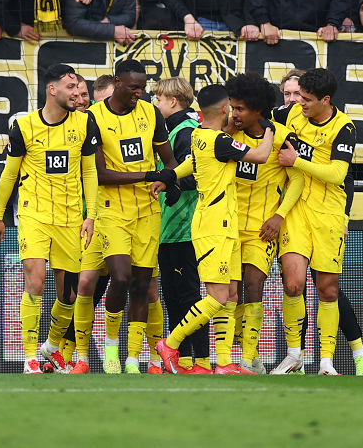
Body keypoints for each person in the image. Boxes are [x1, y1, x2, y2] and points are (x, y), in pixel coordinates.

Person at [154, 83, 276, 375]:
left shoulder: (200, 135)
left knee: (231, 294)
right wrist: (269, 130)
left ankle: (224, 362)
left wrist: (167, 176)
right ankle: (170, 344)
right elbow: (260, 156)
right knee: (218, 296)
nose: (234, 111)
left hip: (226, 224)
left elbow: (189, 163)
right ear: (225, 109)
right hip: (213, 225)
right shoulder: (220, 142)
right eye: (232, 107)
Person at [0, 64, 98, 374]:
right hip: (33, 213)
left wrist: (91, 215)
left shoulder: (84, 122)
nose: (76, 92)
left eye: (77, 86)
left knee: (69, 295)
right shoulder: (24, 127)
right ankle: (29, 358)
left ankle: (50, 347)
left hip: (70, 217)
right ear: (53, 90)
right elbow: (10, 173)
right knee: (35, 281)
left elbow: (89, 170)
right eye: (70, 86)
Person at [90, 60, 179, 374]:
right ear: (117, 82)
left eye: (142, 88)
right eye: (132, 87)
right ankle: (111, 350)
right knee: (121, 277)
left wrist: (170, 178)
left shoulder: (151, 114)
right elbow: (100, 174)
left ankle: (132, 359)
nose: (138, 93)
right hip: (112, 210)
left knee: (142, 285)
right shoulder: (94, 116)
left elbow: (168, 159)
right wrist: (149, 173)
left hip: (147, 211)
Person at [270, 68, 357, 376]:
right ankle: (295, 354)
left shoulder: (344, 127)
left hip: (328, 214)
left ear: (325, 100)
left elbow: (337, 174)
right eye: (298, 98)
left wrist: (298, 162)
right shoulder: (291, 115)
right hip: (294, 211)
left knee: (327, 289)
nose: (300, 104)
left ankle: (326, 361)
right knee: (293, 284)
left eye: (306, 99)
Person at [224, 72, 298, 374]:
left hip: (261, 229)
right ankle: (235, 353)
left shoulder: (281, 137)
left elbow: (297, 180)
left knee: (254, 285)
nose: (234, 113)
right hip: (227, 225)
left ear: (257, 109)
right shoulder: (225, 134)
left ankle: (249, 358)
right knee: (231, 291)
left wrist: (279, 216)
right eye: (232, 106)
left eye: (240, 108)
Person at [151, 77, 213, 374]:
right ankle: (183, 359)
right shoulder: (170, 130)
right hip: (167, 227)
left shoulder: (185, 131)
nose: (154, 103)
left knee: (188, 295)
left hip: (185, 227)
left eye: (158, 99)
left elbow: (196, 175)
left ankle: (201, 359)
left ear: (172, 101)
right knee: (174, 296)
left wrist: (164, 179)